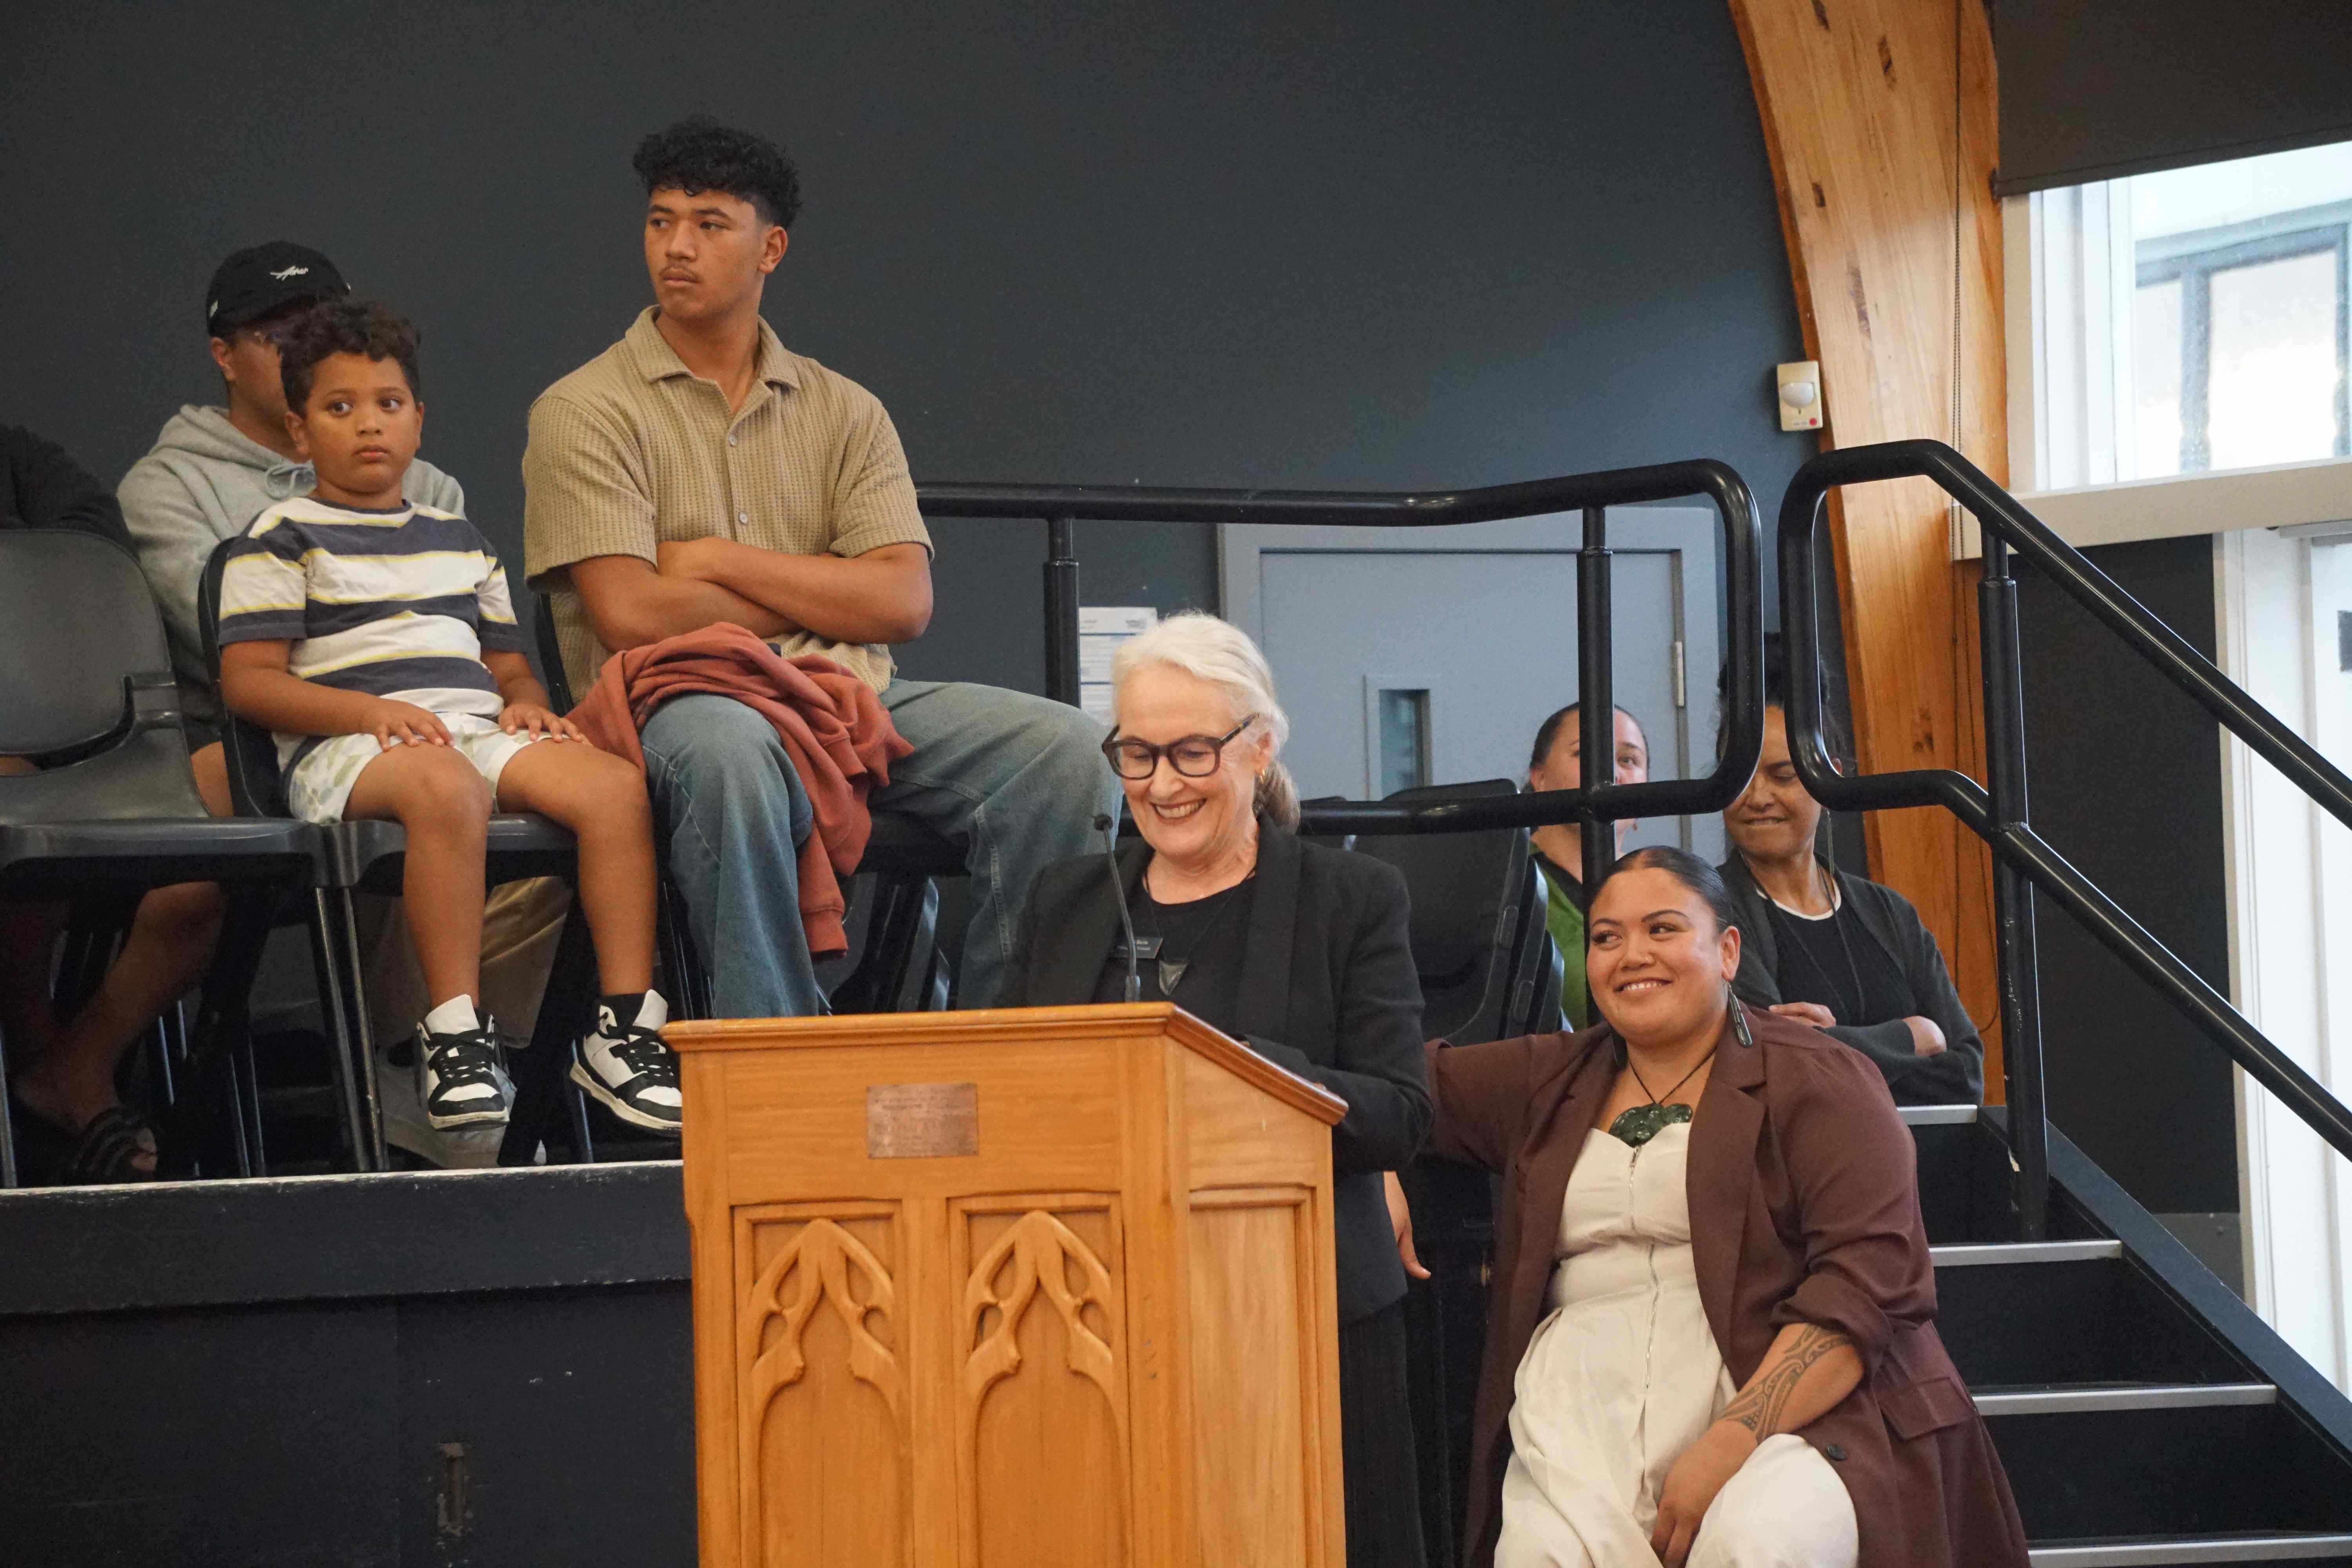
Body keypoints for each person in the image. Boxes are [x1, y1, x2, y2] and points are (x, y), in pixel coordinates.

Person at [523, 117, 1116, 1015]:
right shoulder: (584, 408)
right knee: (735, 750)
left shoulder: (846, 410)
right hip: (675, 707)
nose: (676, 246)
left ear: (771, 248)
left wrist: (716, 561)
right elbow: (632, 614)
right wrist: (825, 589)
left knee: (1065, 752)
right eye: (660, 220)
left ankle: (1014, 1050)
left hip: (848, 696)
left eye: (710, 224)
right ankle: (779, 1059)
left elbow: (902, 600)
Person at [1392, 847, 2027, 1568]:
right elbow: (1391, 1085)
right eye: (1606, 937)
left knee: (1753, 1545)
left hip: (1797, 1410)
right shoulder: (1554, 1074)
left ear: (1728, 951)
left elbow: (1865, 1289)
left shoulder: (1821, 1077)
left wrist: (1731, 1439)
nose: (1632, 955)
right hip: (1580, 1414)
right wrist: (1379, 1159)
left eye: (1663, 929)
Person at [998, 611, 1432, 1568]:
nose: (1162, 785)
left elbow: (1399, 1112)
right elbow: (999, 1085)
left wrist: (1227, 1072)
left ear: (1259, 745)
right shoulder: (1066, 901)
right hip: (1086, 1317)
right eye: (1137, 754)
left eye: (1192, 751)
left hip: (1298, 1316)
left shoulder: (1351, 899)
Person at [118, 242, 564, 1164]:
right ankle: (401, 1058)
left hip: (434, 727)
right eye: (275, 330)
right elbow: (226, 641)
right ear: (223, 354)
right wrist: (374, 699)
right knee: (388, 800)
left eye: (320, 319)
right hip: (244, 734)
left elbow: (474, 638)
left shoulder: (430, 488)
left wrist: (500, 698)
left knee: (573, 808)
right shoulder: (172, 483)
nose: (303, 340)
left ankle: (435, 1045)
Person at [216, 299, 677, 1135]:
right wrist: (370, 711)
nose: (369, 424)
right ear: (297, 431)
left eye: (388, 403)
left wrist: (529, 705)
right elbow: (249, 683)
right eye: (340, 407)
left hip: (468, 732)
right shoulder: (279, 536)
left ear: (419, 420)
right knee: (446, 785)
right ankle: (455, 1033)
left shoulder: (460, 539)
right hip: (348, 747)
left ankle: (622, 1029)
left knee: (614, 787)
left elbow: (507, 667)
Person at [1, 424, 221, 1181]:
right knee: (17, 797)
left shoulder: (19, 457)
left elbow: (96, 556)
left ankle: (70, 1061)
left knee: (217, 817)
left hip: (58, 731)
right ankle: (41, 1049)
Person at [1717, 642, 1983, 1105]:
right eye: (1738, 777)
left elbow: (1967, 1075)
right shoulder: (1709, 909)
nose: (1756, 797)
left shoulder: (1891, 913)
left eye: (1782, 775)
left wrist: (1830, 1044)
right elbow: (1775, 1062)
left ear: (1830, 776)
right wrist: (1913, 1036)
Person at [1525, 702, 1649, 1026]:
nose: (1610, 774)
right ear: (1539, 777)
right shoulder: (1506, 883)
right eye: (1585, 754)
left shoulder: (1667, 887)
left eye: (1628, 760)